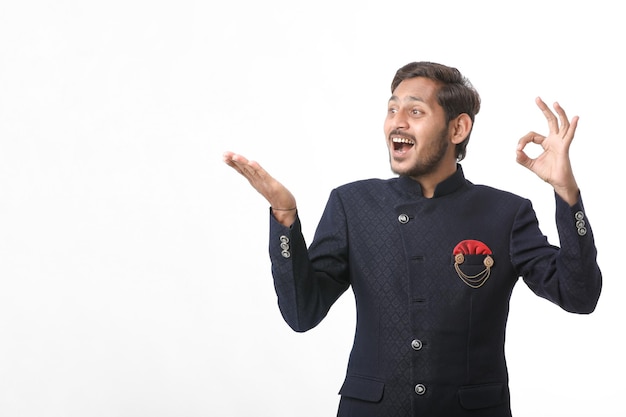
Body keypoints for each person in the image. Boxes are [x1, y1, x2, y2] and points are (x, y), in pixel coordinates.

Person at [222, 61, 602, 417]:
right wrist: (285, 219)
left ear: (458, 129)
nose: (396, 123)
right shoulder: (352, 204)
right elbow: (302, 313)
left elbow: (579, 295)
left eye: (415, 111)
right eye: (392, 110)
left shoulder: (505, 213)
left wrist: (567, 193)